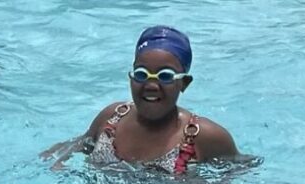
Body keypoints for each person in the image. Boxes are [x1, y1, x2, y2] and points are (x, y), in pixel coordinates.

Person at [42, 26, 239, 173]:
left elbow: (240, 174)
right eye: (142, 74)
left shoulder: (205, 136)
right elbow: (80, 144)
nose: (151, 85)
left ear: (184, 83)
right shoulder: (112, 117)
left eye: (165, 76)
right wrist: (54, 161)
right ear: (131, 77)